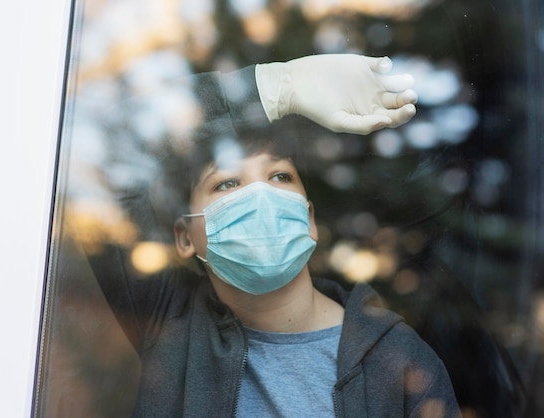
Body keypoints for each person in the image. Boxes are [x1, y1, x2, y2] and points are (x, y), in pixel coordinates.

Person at [88, 54, 461, 417]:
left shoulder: (400, 361)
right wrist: (276, 88)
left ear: (309, 219)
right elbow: (92, 139)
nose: (260, 195)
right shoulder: (168, 324)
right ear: (185, 237)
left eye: (280, 176)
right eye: (227, 183)